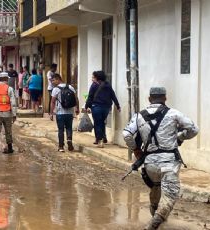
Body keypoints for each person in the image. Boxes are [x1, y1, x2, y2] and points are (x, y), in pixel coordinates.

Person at [122, 87, 198, 230]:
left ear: (149, 99)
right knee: (170, 194)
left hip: (149, 165)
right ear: (165, 98)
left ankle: (158, 218)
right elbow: (194, 129)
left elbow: (126, 134)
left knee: (156, 188)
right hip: (168, 162)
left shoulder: (138, 116)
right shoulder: (174, 113)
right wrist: (180, 137)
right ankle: (153, 224)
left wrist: (136, 149)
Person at [84, 70, 120, 148]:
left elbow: (90, 96)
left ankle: (100, 140)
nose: (92, 79)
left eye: (93, 77)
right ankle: (103, 137)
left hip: (96, 107)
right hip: (106, 108)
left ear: (97, 77)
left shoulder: (94, 85)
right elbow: (113, 95)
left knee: (97, 123)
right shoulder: (108, 85)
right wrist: (118, 105)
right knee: (102, 122)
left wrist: (86, 107)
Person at [50, 74, 79, 152]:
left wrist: (51, 113)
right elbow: (76, 99)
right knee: (69, 128)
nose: (52, 82)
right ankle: (69, 140)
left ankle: (61, 147)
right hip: (70, 113)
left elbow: (52, 102)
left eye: (53, 80)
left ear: (58, 79)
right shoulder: (70, 87)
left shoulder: (55, 89)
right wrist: (77, 109)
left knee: (61, 129)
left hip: (60, 113)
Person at [0, 72, 17, 154]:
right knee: (8, 131)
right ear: (6, 79)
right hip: (7, 113)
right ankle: (10, 148)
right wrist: (14, 114)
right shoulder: (9, 89)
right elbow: (13, 102)